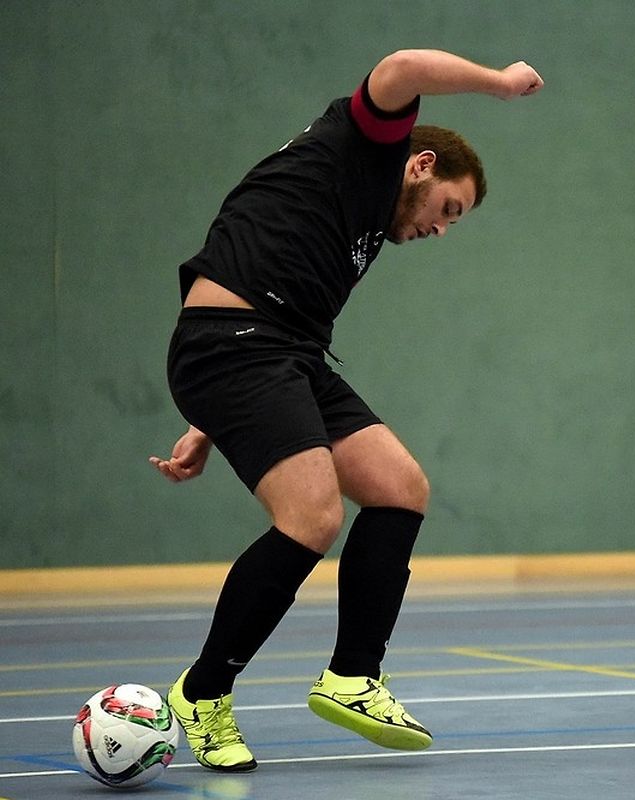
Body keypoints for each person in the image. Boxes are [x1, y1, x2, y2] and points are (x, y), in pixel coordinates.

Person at [148, 48, 543, 772]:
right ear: (420, 165)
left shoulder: (357, 228)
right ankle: (202, 693)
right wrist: (499, 84)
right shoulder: (363, 143)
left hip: (278, 354)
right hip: (234, 347)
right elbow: (401, 65)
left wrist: (210, 422)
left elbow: (261, 259)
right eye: (448, 209)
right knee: (313, 516)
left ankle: (353, 677)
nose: (443, 230)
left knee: (400, 487)